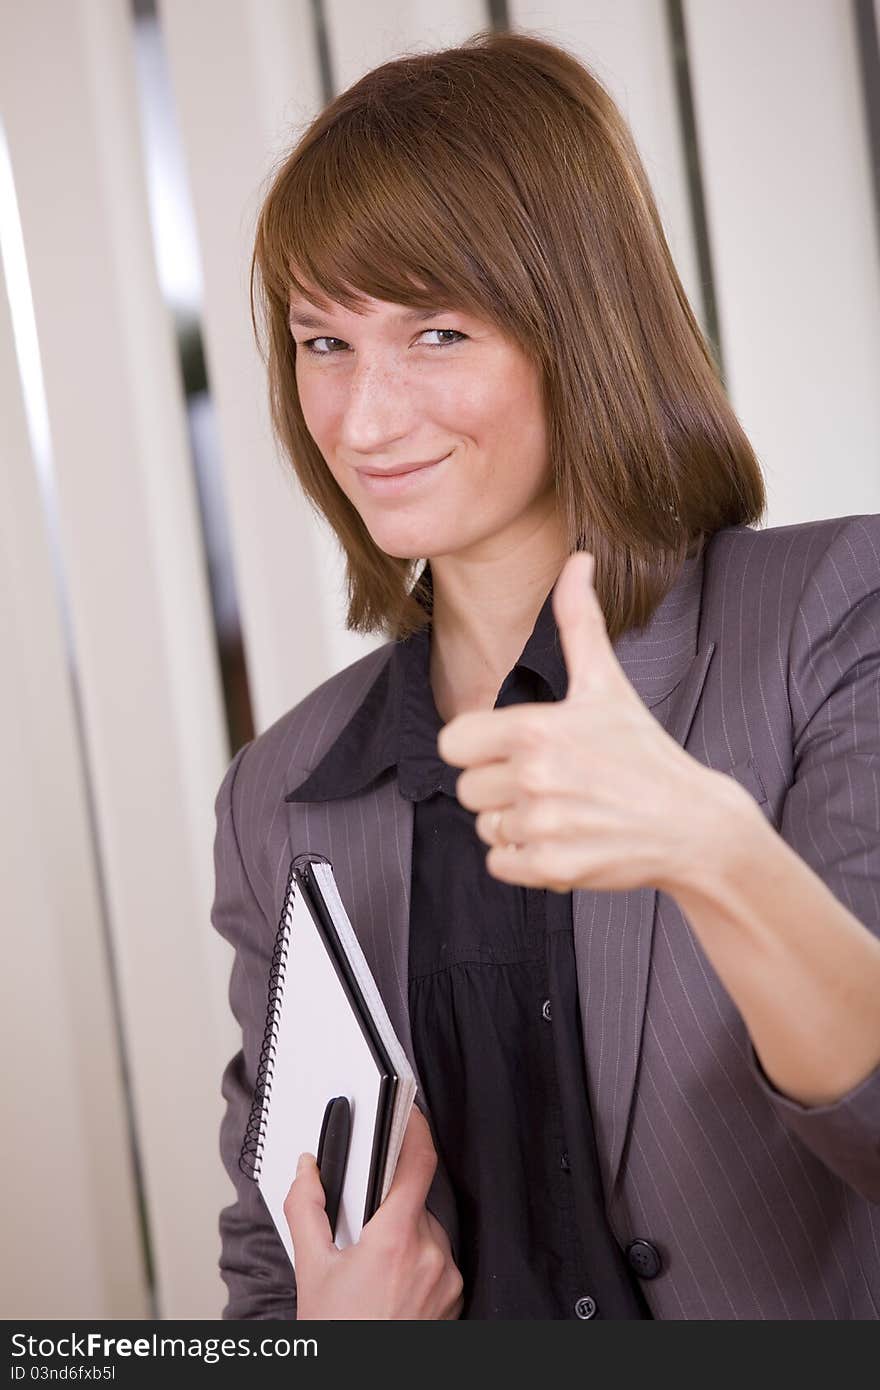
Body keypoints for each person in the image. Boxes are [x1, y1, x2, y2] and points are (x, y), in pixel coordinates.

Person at [210, 29, 880, 1319]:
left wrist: (715, 853)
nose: (359, 416)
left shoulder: (826, 623)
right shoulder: (280, 794)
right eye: (322, 343)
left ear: (579, 327)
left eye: (438, 332)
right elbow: (262, 1268)